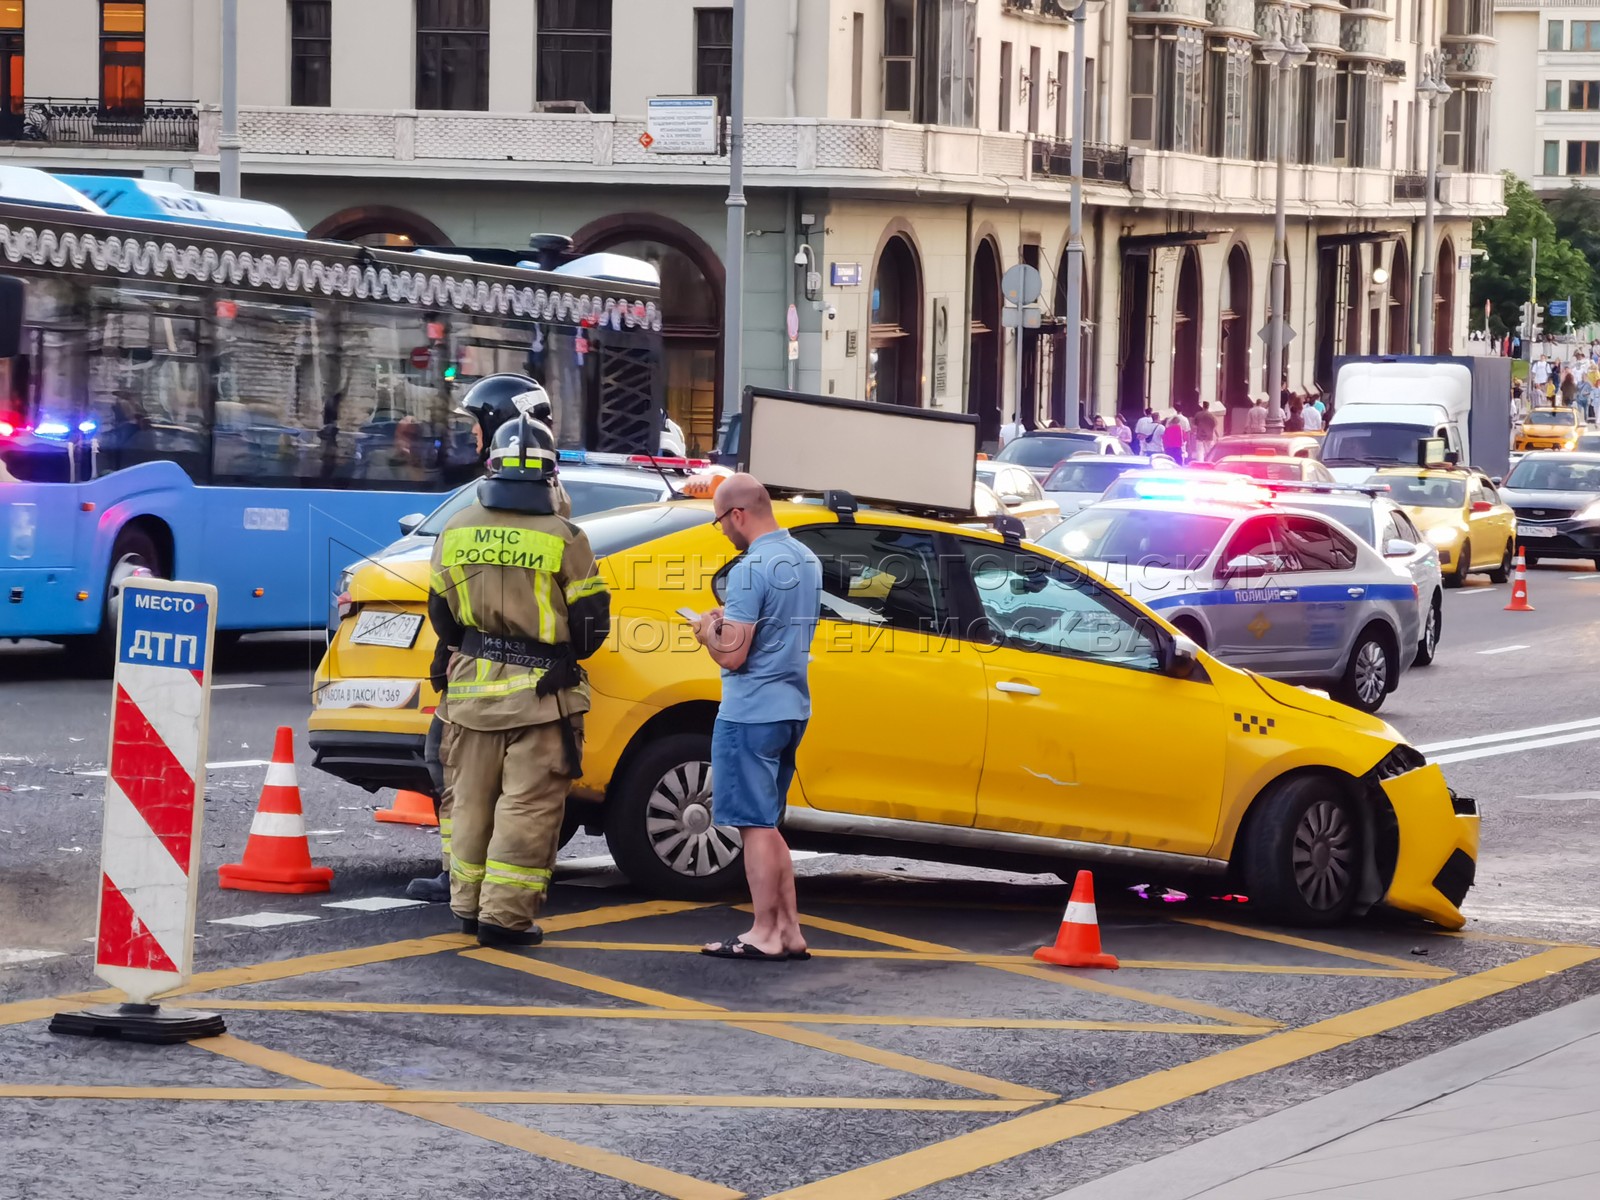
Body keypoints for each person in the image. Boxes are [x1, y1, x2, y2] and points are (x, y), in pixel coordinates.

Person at [425, 414, 610, 947]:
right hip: (540, 697)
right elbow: (590, 623)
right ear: (551, 476)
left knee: (469, 800)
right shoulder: (565, 537)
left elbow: (442, 616)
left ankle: (466, 906)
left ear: (491, 468)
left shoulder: (456, 528)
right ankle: (503, 919)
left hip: (467, 694)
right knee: (526, 807)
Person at [408, 375, 562, 904]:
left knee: (476, 784)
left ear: (499, 422)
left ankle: (471, 886)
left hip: (492, 677)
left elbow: (452, 597)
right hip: (512, 676)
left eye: (477, 425)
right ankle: (472, 886)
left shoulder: (534, 504)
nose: (472, 438)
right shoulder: (540, 497)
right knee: (472, 782)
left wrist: (448, 647)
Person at [693, 474, 822, 961]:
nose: (722, 530)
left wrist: (708, 631)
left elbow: (733, 656)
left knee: (753, 826)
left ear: (738, 515)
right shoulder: (804, 559)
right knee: (768, 823)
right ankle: (788, 930)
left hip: (749, 713)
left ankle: (764, 932)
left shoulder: (751, 568)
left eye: (720, 522)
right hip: (792, 707)